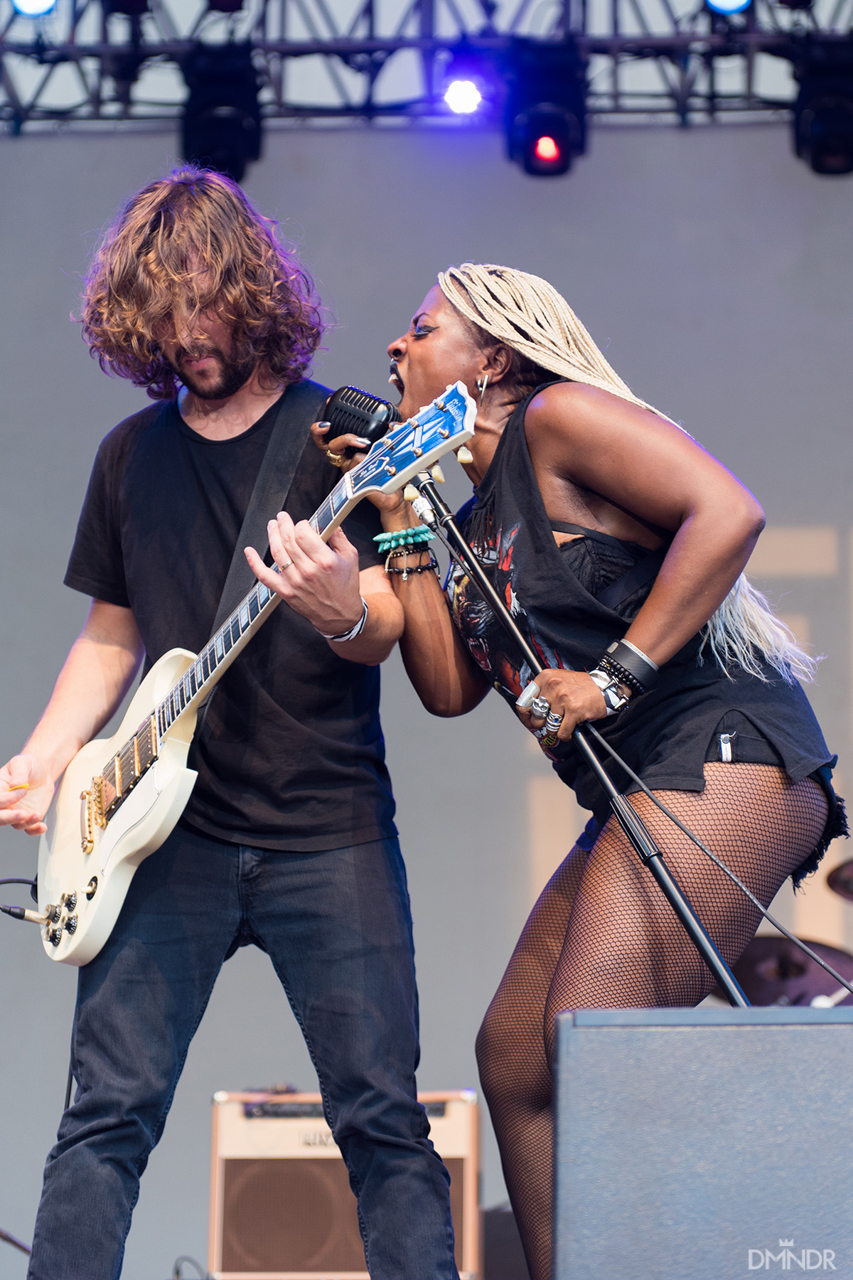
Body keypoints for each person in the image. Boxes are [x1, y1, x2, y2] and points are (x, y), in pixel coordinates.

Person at [0, 167, 459, 1280]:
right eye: (161, 316)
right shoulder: (130, 456)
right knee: (102, 1120)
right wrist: (48, 754)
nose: (188, 337)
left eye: (202, 306)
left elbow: (387, 627)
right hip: (163, 842)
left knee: (385, 1127)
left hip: (327, 824)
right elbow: (113, 634)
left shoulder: (345, 437)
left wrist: (340, 607)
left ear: (252, 291)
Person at [362, 263, 845, 1280]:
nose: (395, 349)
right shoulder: (472, 516)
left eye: (420, 328)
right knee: (517, 1056)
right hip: (637, 786)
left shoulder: (559, 419)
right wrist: (402, 511)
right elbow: (447, 688)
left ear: (491, 355)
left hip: (721, 748)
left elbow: (727, 509)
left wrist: (615, 676)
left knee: (595, 1043)